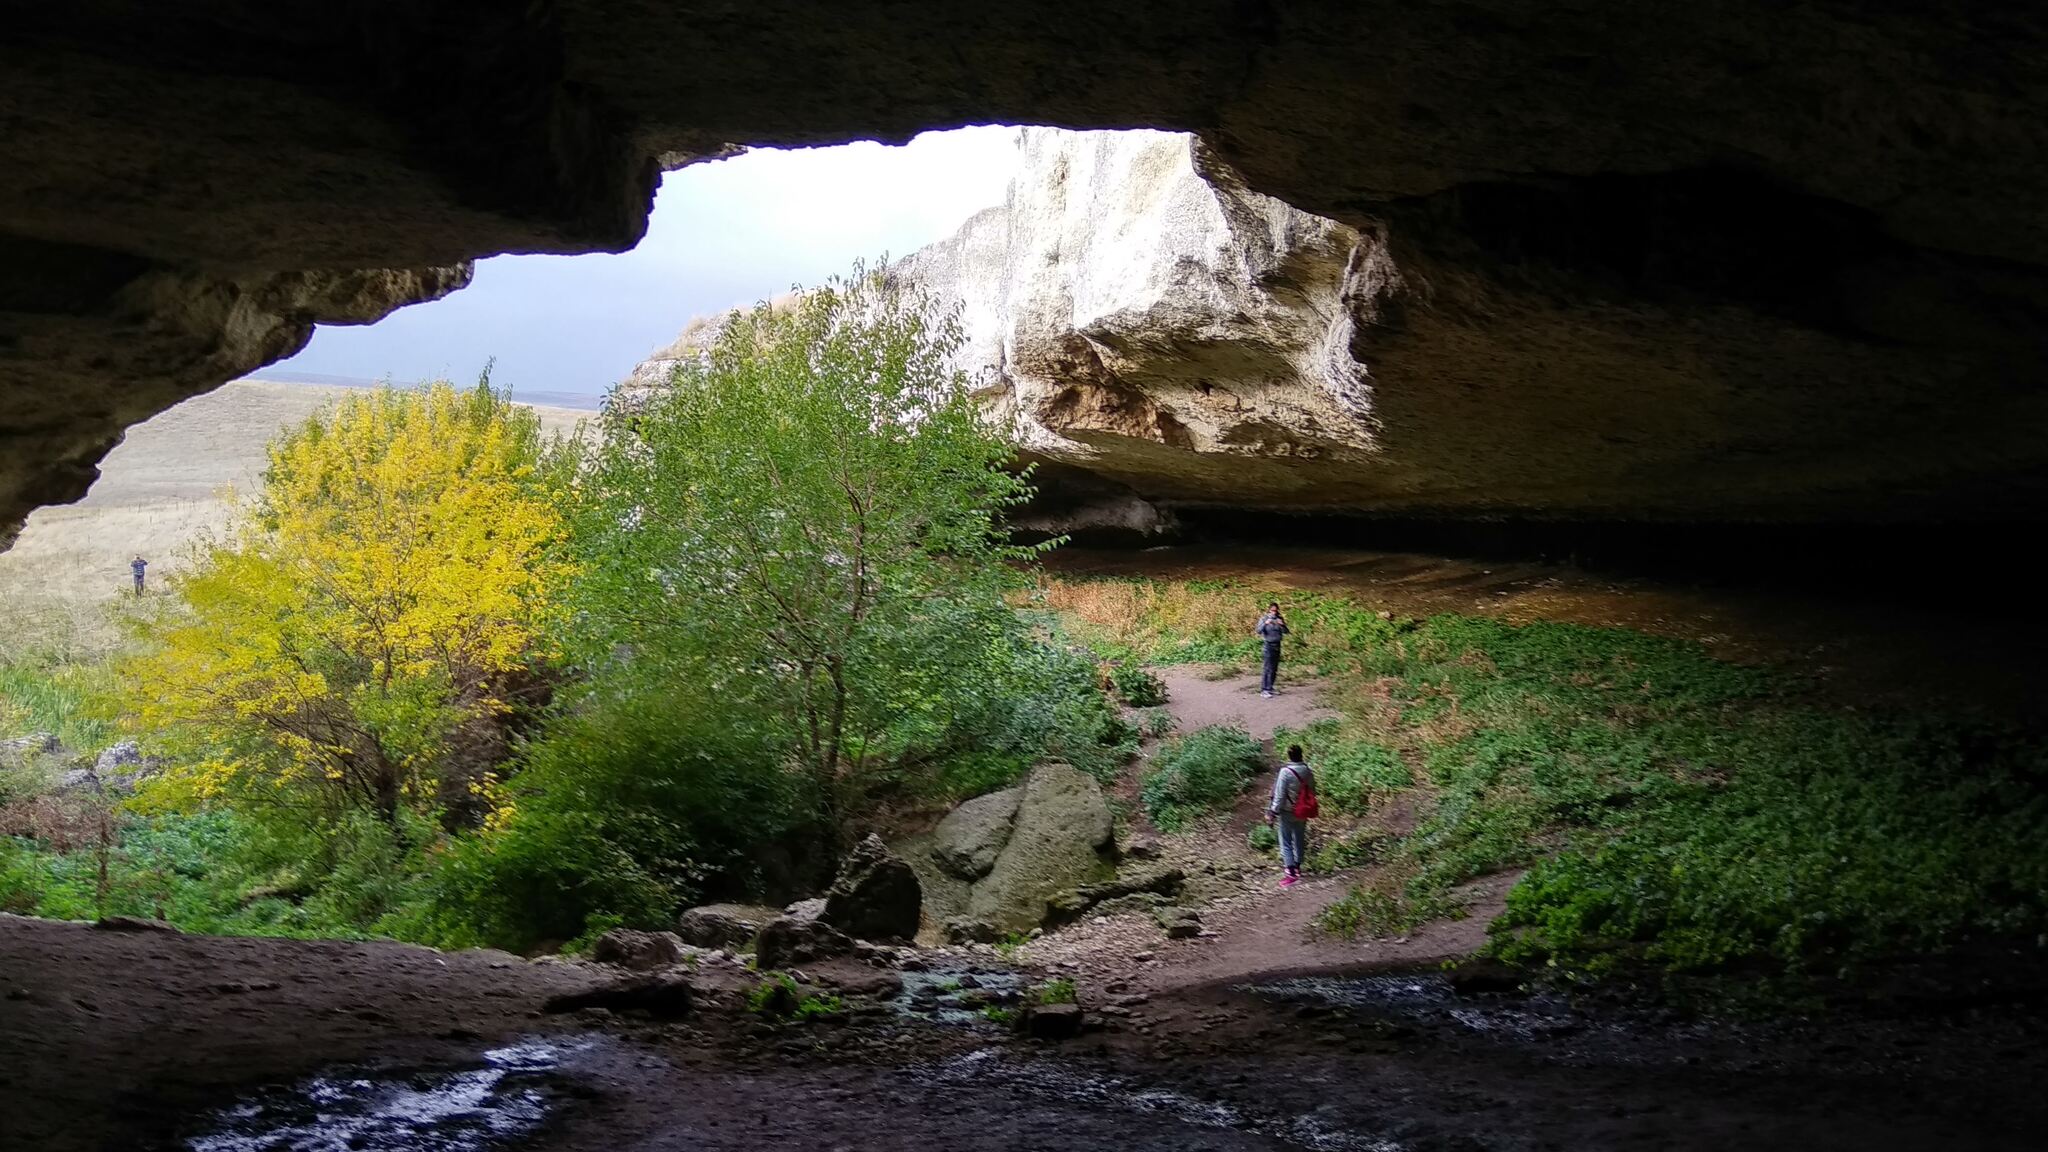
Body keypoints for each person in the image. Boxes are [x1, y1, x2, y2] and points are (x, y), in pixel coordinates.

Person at [1266, 744, 1317, 888]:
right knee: (1299, 838)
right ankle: (1298, 866)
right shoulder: (1307, 770)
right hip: (1303, 810)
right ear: (1301, 754)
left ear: (1289, 756)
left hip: (1288, 811)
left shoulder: (1285, 772)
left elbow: (1280, 795)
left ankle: (1290, 872)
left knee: (1286, 841)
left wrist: (1272, 812)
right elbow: (1313, 789)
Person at [1254, 601, 1288, 697]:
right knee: (1267, 667)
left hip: (1277, 645)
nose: (1274, 612)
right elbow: (1258, 631)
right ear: (1269, 610)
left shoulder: (1279, 618)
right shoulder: (1264, 618)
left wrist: (1282, 625)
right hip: (1268, 645)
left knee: (1274, 668)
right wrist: (1265, 623)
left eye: (1276, 610)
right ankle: (1264, 690)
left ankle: (1270, 687)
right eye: (1272, 610)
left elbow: (1286, 631)